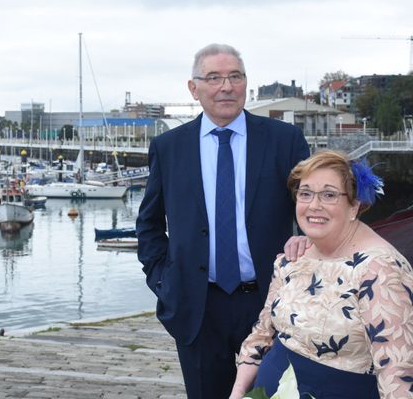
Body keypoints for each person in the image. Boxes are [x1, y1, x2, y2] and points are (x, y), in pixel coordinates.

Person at [136, 43, 310, 398]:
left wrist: (308, 244)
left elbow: (314, 210)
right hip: (198, 307)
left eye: (235, 76)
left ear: (246, 83)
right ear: (193, 88)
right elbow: (149, 223)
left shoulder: (284, 140)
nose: (226, 86)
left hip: (270, 301)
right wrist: (164, 282)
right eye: (213, 78)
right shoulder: (169, 147)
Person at [230, 150, 413, 398]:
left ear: (355, 206)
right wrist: (238, 393)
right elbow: (262, 335)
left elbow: (399, 377)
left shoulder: (380, 270)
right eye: (305, 193)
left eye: (329, 195)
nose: (314, 205)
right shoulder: (292, 258)